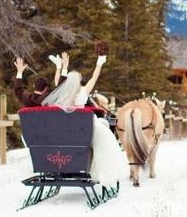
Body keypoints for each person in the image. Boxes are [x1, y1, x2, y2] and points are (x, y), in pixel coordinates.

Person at [42, 55, 128, 186]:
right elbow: (94, 78)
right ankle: (101, 169)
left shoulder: (62, 95)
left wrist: (60, 67)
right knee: (105, 134)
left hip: (65, 132)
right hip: (82, 130)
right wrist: (99, 63)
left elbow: (56, 82)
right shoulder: (83, 92)